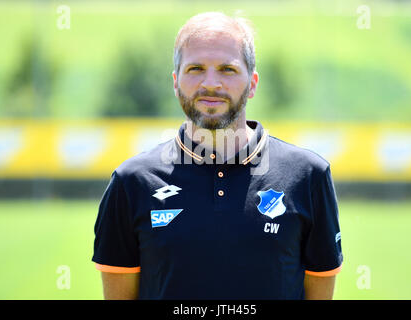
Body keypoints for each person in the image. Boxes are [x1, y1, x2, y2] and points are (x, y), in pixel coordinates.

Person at [92, 12, 343, 300]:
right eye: (196, 68)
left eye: (227, 69)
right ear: (175, 81)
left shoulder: (308, 176)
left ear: (253, 83)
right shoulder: (131, 182)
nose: (210, 83)